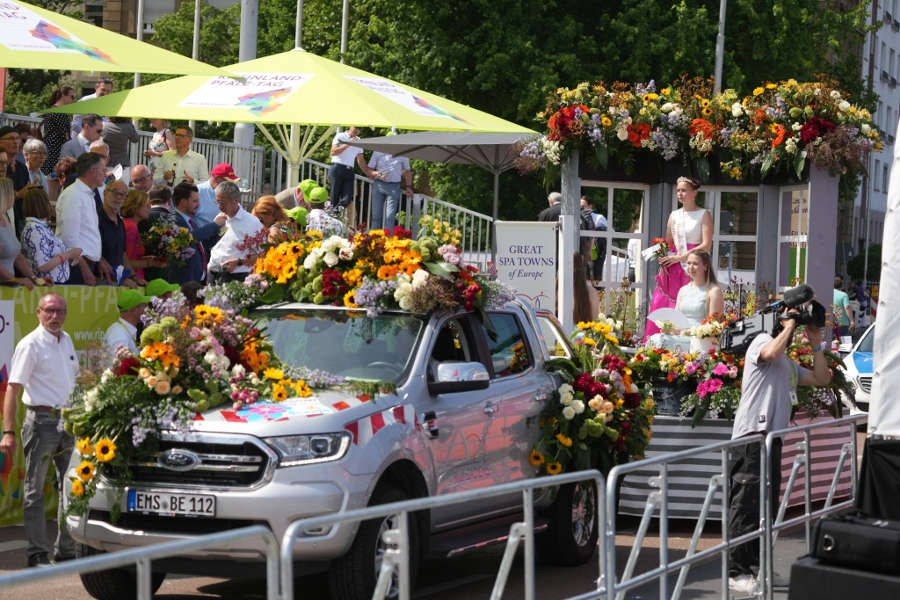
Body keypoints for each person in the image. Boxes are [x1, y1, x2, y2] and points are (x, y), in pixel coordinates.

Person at [727, 297, 831, 594]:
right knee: (745, 506)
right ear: (778, 317)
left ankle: (759, 569)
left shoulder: (787, 361)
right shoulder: (760, 340)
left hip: (773, 439)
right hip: (751, 436)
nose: (795, 321)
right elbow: (770, 353)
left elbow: (821, 378)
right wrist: (788, 325)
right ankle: (737, 571)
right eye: (789, 315)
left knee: (766, 509)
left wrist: (816, 343)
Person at [0, 293, 80, 567]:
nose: (55, 316)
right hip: (41, 422)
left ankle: (66, 549)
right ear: (38, 312)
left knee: (71, 488)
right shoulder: (30, 344)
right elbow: (12, 387)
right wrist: (8, 432)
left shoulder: (67, 340)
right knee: (35, 490)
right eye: (49, 311)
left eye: (60, 311)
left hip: (68, 421)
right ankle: (36, 553)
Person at [644, 176, 713, 340]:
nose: (680, 194)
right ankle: (657, 343)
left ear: (694, 192)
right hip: (673, 267)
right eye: (678, 191)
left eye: (684, 190)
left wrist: (681, 257)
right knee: (664, 305)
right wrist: (660, 256)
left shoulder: (704, 214)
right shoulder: (674, 215)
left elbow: (706, 245)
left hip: (693, 264)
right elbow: (668, 244)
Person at [55, 152, 111, 285]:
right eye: (103, 170)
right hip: (75, 268)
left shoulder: (86, 194)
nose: (106, 174)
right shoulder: (74, 195)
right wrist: (84, 268)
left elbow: (87, 235)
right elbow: (69, 239)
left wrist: (97, 260)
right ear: (93, 171)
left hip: (84, 265)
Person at [20, 186, 83, 284]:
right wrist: (68, 254)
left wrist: (70, 255)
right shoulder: (34, 229)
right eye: (47, 201)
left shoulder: (40, 227)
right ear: (41, 205)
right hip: (48, 284)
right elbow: (42, 266)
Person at [208, 180, 264, 283]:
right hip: (213, 274)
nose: (219, 207)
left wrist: (239, 262)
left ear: (235, 201)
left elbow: (262, 254)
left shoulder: (252, 223)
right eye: (217, 202)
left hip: (237, 278)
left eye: (222, 203)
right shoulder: (220, 218)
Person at [675, 249, 724, 352]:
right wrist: (669, 328)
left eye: (695, 264)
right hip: (680, 336)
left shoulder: (713, 291)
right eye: (688, 263)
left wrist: (689, 332)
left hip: (700, 341)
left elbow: (713, 326)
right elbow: (676, 319)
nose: (691, 267)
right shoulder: (683, 290)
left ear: (705, 266)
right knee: (657, 339)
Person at [169, 181, 216, 283]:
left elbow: (201, 244)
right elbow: (189, 239)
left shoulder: (191, 222)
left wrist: (224, 231)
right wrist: (215, 225)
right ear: (183, 202)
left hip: (197, 282)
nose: (198, 205)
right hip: (183, 283)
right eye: (195, 201)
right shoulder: (173, 220)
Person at [97, 180, 139, 287]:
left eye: (123, 195)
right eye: (115, 192)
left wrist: (134, 277)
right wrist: (122, 279)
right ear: (105, 193)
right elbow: (97, 256)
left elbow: (123, 254)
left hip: (118, 282)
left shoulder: (120, 222)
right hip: (102, 282)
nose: (119, 197)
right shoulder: (96, 219)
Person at [0, 179, 38, 290]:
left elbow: (17, 256)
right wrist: (14, 279)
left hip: (8, 288)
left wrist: (34, 278)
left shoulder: (5, 218)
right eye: (12, 192)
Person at [121, 189, 165, 282]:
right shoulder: (131, 227)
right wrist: (150, 263)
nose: (149, 207)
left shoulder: (130, 225)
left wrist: (146, 259)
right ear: (136, 207)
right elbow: (125, 262)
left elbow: (132, 256)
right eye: (146, 205)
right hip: (133, 280)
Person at [364, 151, 412, 230]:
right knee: (376, 216)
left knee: (390, 216)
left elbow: (408, 171)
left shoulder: (403, 153)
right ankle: (373, 239)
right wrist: (378, 174)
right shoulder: (377, 151)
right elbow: (368, 170)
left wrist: (409, 187)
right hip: (379, 185)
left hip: (394, 187)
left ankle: (388, 240)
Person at [328, 126, 367, 211]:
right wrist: (348, 143)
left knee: (348, 197)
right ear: (350, 126)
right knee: (334, 196)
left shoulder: (359, 141)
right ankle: (332, 213)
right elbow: (333, 152)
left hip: (349, 171)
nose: (358, 130)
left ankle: (335, 212)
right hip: (337, 168)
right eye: (356, 127)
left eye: (360, 128)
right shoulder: (340, 136)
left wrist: (369, 173)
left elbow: (361, 160)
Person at [41, 86, 76, 174]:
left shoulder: (56, 110)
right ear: (63, 96)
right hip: (54, 151)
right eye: (72, 97)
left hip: (52, 149)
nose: (73, 100)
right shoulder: (58, 112)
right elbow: (65, 135)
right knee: (53, 178)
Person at [104, 289, 151, 355]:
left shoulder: (122, 329)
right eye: (144, 305)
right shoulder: (119, 335)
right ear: (135, 309)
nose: (146, 309)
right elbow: (119, 363)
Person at [196, 163, 239, 229]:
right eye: (228, 181)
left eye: (232, 182)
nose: (230, 185)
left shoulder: (229, 192)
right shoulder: (197, 192)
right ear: (216, 179)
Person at [102, 117, 139, 182]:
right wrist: (130, 124)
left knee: (107, 190)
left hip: (107, 165)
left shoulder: (104, 126)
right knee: (123, 190)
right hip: (123, 165)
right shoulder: (128, 126)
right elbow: (135, 139)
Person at [582, 196, 609, 281]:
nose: (581, 208)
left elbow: (611, 231)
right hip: (582, 252)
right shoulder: (577, 217)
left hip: (595, 253)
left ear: (590, 206)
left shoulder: (598, 218)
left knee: (596, 278)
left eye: (583, 206)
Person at [0, 126, 29, 192]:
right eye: (10, 138)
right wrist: (18, 195)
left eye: (17, 138)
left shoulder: (22, 168)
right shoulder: (1, 168)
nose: (15, 142)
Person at [832, 276, 854, 340]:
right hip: (842, 322)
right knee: (843, 344)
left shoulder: (828, 293)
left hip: (830, 322)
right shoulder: (844, 295)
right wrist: (852, 321)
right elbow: (847, 307)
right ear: (841, 285)